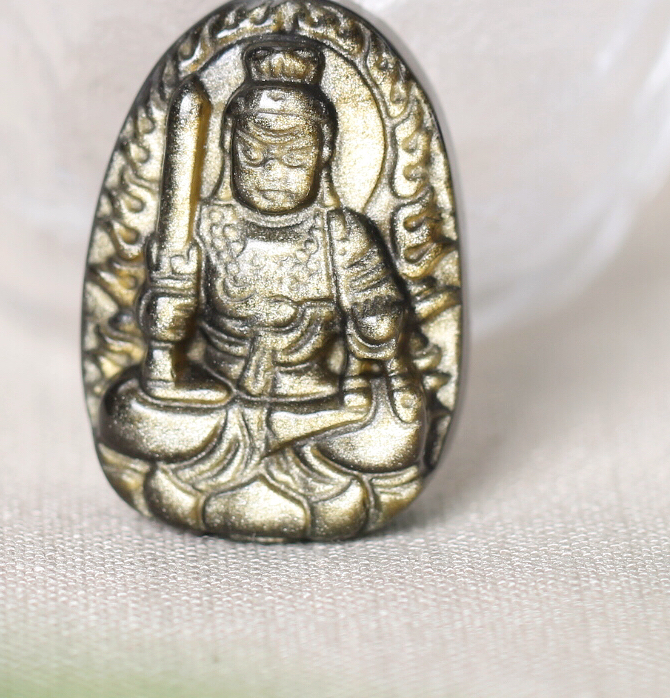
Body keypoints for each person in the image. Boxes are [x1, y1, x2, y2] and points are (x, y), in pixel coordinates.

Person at [99, 37, 427, 540]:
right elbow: (156, 323)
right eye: (255, 155)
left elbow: (382, 315)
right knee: (126, 407)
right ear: (228, 148)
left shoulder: (343, 235)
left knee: (397, 429)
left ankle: (277, 442)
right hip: (217, 395)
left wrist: (376, 326)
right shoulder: (202, 227)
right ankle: (277, 443)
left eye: (294, 157)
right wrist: (164, 314)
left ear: (324, 154)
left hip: (316, 400)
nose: (274, 173)